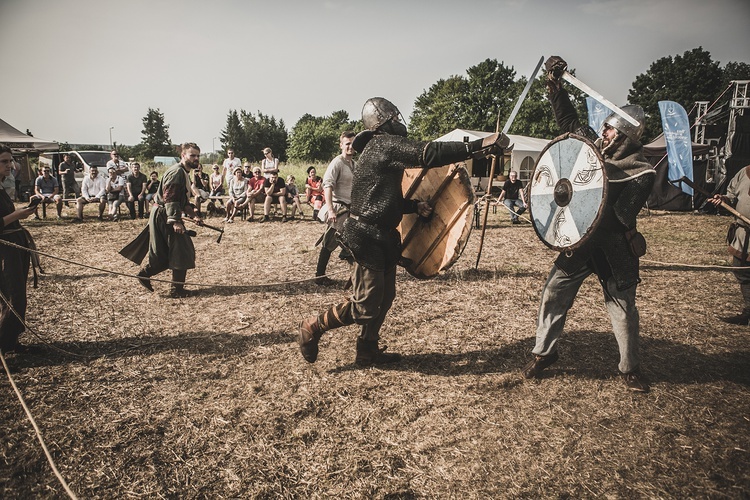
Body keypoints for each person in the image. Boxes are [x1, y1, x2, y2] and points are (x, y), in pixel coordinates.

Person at [298, 97, 510, 366]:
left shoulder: (379, 150)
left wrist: (412, 206)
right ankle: (312, 327)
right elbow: (430, 153)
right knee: (365, 305)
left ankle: (367, 349)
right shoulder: (383, 144)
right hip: (367, 236)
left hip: (383, 235)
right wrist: (476, 147)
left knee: (385, 297)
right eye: (394, 118)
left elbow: (383, 199)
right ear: (382, 123)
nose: (399, 122)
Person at [520, 56, 656, 393]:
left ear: (625, 135)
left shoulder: (641, 172)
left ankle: (630, 368)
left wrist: (585, 195)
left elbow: (620, 216)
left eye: (610, 129)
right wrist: (555, 84)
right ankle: (544, 352)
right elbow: (567, 119)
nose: (604, 132)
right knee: (554, 292)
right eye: (606, 127)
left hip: (613, 246)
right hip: (579, 244)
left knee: (622, 309)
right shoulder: (591, 150)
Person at [136, 142, 203, 298]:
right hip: (164, 214)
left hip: (166, 213)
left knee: (171, 251)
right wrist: (175, 221)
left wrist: (194, 215)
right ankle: (176, 290)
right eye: (192, 155)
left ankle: (148, 275)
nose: (196, 158)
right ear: (183, 155)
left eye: (198, 156)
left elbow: (183, 201)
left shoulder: (184, 173)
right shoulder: (177, 173)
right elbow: (170, 198)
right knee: (181, 250)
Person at [0, 144, 36, 353]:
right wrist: (17, 216)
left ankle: (11, 341)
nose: (9, 165)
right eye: (4, 161)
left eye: (10, 160)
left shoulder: (2, 187)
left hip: (15, 248)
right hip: (5, 252)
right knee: (13, 297)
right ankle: (3, 348)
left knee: (17, 296)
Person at [708, 166, 750, 324]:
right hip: (744, 235)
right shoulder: (745, 172)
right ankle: (748, 311)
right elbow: (731, 196)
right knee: (742, 273)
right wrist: (724, 199)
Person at [315, 131, 355, 285]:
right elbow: (327, 186)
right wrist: (331, 210)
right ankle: (320, 276)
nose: (350, 147)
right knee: (332, 242)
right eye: (347, 144)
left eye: (353, 143)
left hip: (350, 209)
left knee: (348, 242)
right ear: (341, 145)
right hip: (339, 209)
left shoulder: (354, 164)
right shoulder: (337, 163)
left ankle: (354, 276)